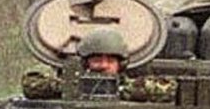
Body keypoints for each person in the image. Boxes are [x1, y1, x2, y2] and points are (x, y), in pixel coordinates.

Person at [22, 28, 177, 102]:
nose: (103, 66)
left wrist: (120, 90)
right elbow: (31, 84)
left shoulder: (130, 87)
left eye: (110, 61)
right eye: (96, 60)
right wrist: (72, 87)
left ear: (121, 64)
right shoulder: (70, 85)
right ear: (85, 62)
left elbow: (167, 89)